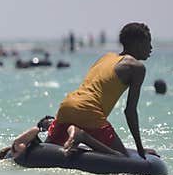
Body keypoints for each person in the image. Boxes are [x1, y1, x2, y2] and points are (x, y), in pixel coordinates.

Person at [46, 22, 154, 158]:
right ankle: (81, 136)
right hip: (89, 112)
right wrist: (140, 149)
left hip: (66, 107)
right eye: (148, 42)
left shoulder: (106, 57)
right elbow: (130, 111)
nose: (151, 48)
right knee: (121, 157)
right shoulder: (136, 67)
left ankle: (30, 139)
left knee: (48, 150)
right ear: (137, 43)